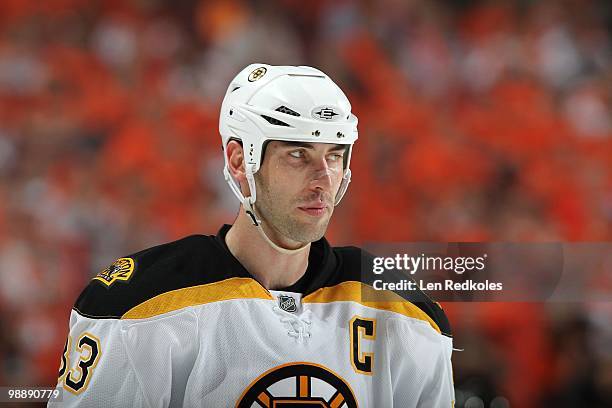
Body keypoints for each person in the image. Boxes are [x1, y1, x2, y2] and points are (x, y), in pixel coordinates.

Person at [49, 64, 455, 407]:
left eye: (334, 155)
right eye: (298, 154)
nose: (323, 180)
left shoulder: (404, 311)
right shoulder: (141, 305)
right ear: (241, 160)